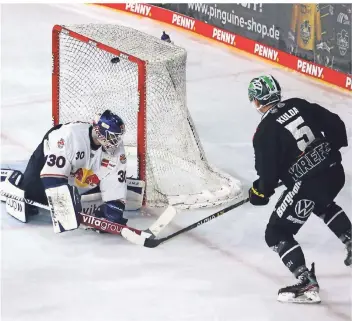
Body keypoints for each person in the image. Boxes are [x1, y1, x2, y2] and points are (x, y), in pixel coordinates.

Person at [247, 75, 351, 303]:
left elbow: (267, 178)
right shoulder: (298, 104)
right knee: (321, 202)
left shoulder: (264, 132)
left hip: (309, 185)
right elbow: (336, 124)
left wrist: (259, 193)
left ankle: (306, 283)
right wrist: (326, 153)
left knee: (276, 233)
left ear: (256, 101)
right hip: (335, 173)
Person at [7, 109, 129, 231]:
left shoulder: (116, 149)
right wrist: (64, 204)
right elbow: (52, 175)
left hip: (78, 168)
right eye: (113, 137)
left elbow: (115, 179)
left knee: (89, 191)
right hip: (51, 151)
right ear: (101, 132)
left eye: (117, 138)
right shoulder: (70, 136)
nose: (116, 142)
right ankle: (19, 181)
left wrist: (114, 209)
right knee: (34, 193)